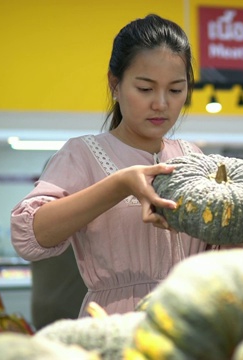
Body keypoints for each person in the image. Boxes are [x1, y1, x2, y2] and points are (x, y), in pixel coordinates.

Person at [11, 14, 214, 318]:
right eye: (145, 89)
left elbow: (217, 252)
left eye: (175, 90)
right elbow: (29, 236)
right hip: (115, 323)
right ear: (115, 84)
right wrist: (120, 184)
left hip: (191, 319)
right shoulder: (81, 155)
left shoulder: (194, 157)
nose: (161, 103)